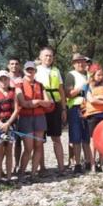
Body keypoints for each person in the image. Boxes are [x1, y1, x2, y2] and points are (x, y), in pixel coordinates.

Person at [16, 61, 52, 180]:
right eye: (28, 69)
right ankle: (21, 172)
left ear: (35, 71)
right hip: (26, 119)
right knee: (28, 148)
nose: (30, 72)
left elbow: (48, 103)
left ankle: (33, 174)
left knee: (38, 146)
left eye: (32, 69)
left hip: (39, 118)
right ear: (24, 71)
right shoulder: (19, 85)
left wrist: (37, 102)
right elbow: (24, 104)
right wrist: (39, 103)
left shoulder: (40, 85)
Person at [35, 47, 66, 175]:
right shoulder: (35, 71)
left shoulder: (56, 71)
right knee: (40, 139)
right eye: (46, 55)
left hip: (56, 106)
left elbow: (61, 91)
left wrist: (64, 108)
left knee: (56, 137)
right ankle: (42, 168)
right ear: (40, 57)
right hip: (41, 107)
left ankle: (61, 167)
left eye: (51, 56)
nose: (48, 58)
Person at [83, 63, 103, 172]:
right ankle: (92, 165)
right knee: (93, 141)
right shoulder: (88, 86)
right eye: (98, 75)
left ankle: (102, 164)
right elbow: (91, 100)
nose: (100, 77)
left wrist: (100, 97)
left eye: (101, 75)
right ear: (93, 75)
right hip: (93, 116)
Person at [0, 71, 20, 182]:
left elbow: (16, 109)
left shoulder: (14, 92)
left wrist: (8, 123)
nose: (3, 81)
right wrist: (0, 124)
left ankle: (8, 177)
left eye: (5, 79)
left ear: (8, 80)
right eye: (1, 79)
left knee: (9, 150)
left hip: (10, 125)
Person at [65, 53, 91, 173]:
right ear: (74, 64)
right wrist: (82, 87)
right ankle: (77, 164)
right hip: (75, 107)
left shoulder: (88, 75)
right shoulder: (71, 75)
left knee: (86, 135)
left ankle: (88, 162)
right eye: (77, 62)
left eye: (82, 61)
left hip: (88, 107)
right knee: (76, 136)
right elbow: (68, 94)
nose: (80, 64)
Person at [7, 57, 24, 170]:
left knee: (18, 141)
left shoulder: (23, 79)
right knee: (6, 141)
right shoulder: (3, 77)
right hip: (7, 114)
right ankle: (6, 166)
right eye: (12, 64)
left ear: (19, 66)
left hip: (21, 114)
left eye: (16, 63)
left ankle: (17, 165)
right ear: (8, 66)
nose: (14, 66)